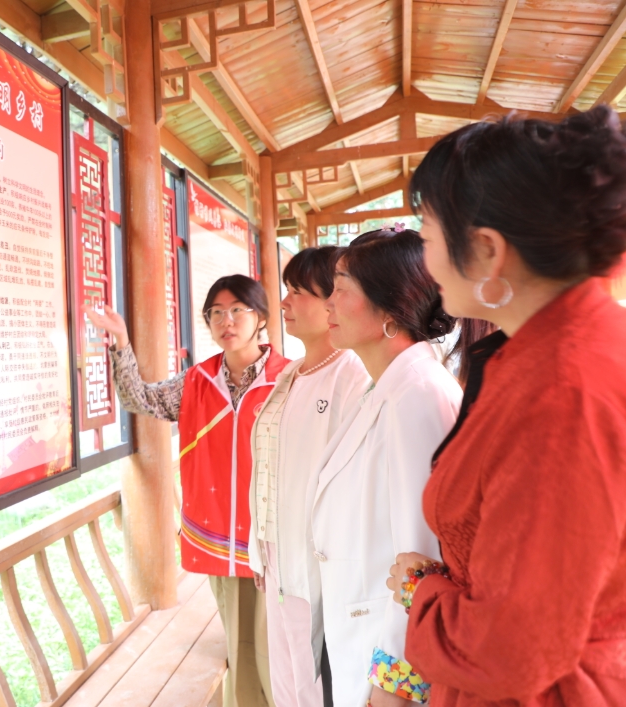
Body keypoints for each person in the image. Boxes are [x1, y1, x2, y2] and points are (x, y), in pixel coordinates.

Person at [387, 105, 626, 705]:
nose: (428, 263)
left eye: (429, 238)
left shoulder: (562, 394)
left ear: (488, 250)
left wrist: (422, 591)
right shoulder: (554, 352)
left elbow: (508, 646)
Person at [85, 274, 289, 707]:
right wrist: (122, 342)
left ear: (261, 318)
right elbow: (140, 399)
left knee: (280, 649)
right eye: (216, 313)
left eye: (237, 310)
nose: (226, 321)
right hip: (221, 536)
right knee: (240, 645)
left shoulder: (289, 380)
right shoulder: (197, 380)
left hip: (276, 537)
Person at [311, 229, 463, 706]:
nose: (328, 303)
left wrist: (395, 683)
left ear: (390, 311)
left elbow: (425, 554)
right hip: (360, 634)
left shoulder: (417, 396)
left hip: (386, 663)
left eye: (342, 288)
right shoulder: (386, 387)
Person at [247, 246, 371, 707]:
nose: (285, 303)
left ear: (333, 300)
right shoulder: (292, 374)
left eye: (299, 292)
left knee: (316, 681)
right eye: (287, 291)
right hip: (278, 557)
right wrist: (261, 548)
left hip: (319, 562)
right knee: (288, 680)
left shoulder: (352, 375)